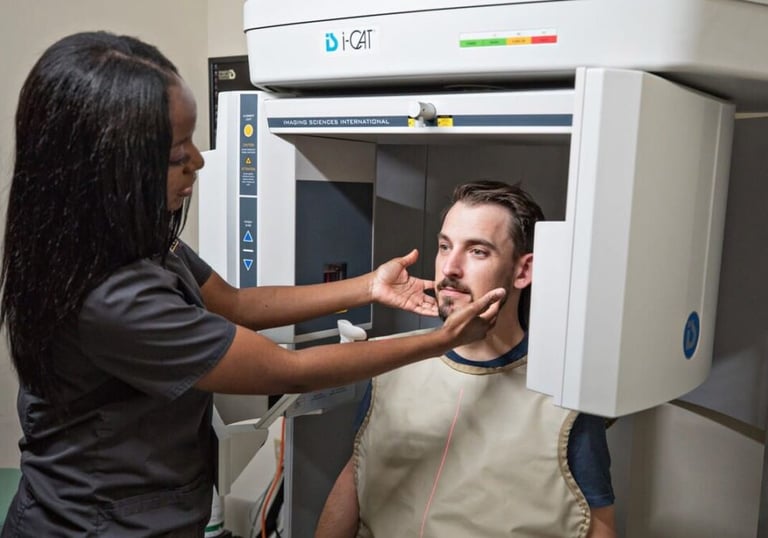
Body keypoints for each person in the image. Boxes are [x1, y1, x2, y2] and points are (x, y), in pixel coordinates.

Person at [0, 32, 506, 537]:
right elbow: (290, 371)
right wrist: (439, 340)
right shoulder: (113, 298)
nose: (198, 161)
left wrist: (368, 287)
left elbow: (236, 303)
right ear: (109, 166)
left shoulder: (129, 240)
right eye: (177, 154)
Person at [315, 181, 617, 538]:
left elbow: (597, 523)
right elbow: (356, 475)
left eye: (477, 251)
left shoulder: (563, 397)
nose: (450, 267)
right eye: (445, 247)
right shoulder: (390, 365)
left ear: (523, 271)